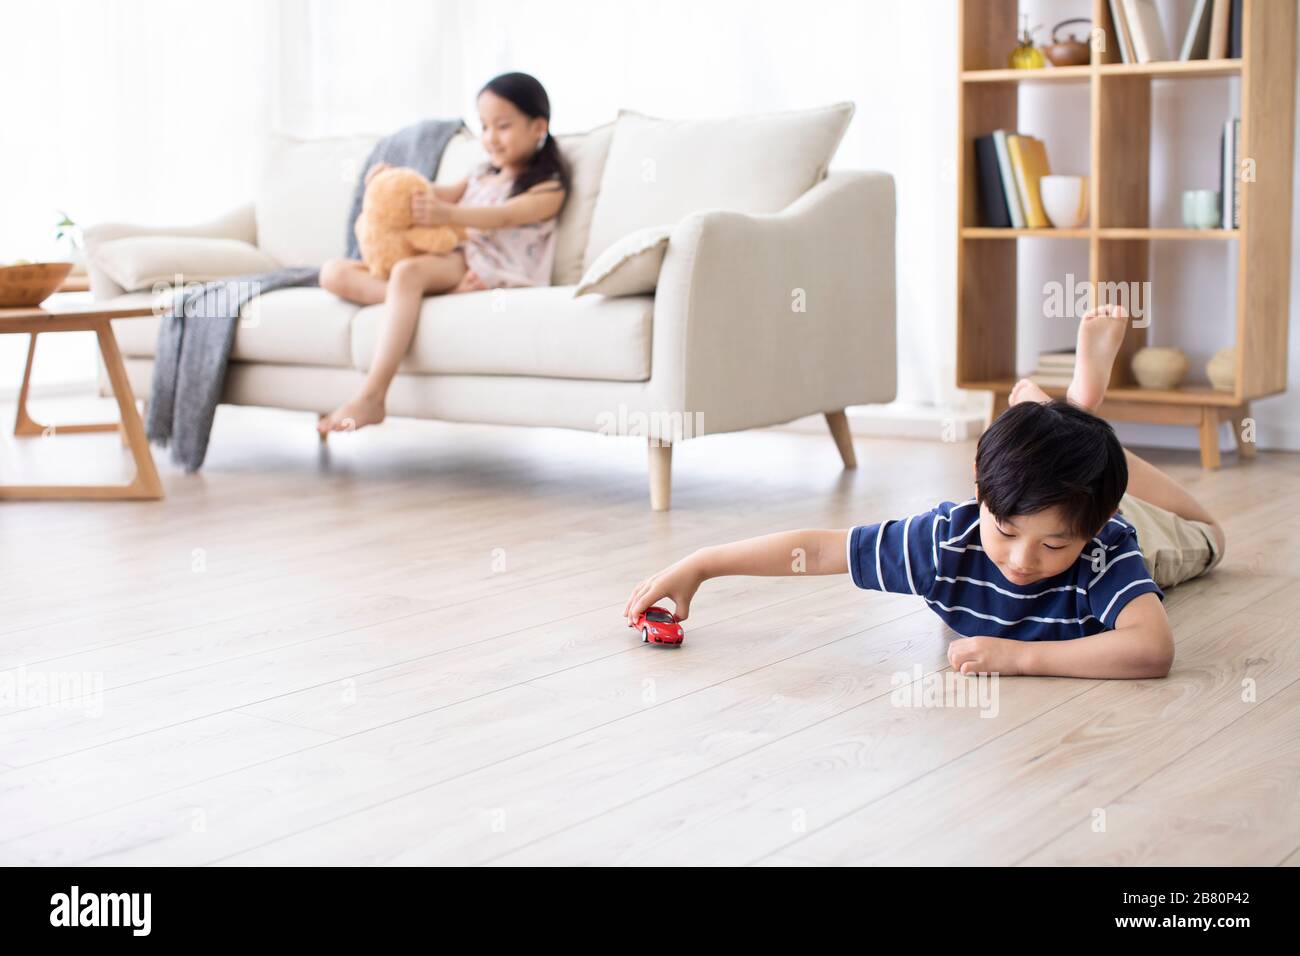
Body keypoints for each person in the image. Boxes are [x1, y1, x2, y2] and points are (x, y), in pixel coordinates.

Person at [624, 306, 1225, 679]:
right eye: (1007, 531)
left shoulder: (1105, 547)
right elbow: (820, 550)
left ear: (1093, 531)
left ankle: (1079, 422)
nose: (1021, 560)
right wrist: (701, 566)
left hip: (1143, 529)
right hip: (1078, 497)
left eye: (1053, 547)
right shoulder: (948, 539)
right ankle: (1071, 420)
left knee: (1211, 536)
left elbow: (1151, 650)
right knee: (1071, 471)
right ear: (978, 491)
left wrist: (1019, 657)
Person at [317, 71, 569, 434]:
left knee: (407, 272)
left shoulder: (548, 187)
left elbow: (503, 216)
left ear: (537, 126)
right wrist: (392, 182)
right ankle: (436, 297)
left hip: (486, 262)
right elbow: (438, 192)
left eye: (503, 126)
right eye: (484, 126)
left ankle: (373, 396)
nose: (490, 138)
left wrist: (449, 215)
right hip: (454, 259)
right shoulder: (481, 173)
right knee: (334, 273)